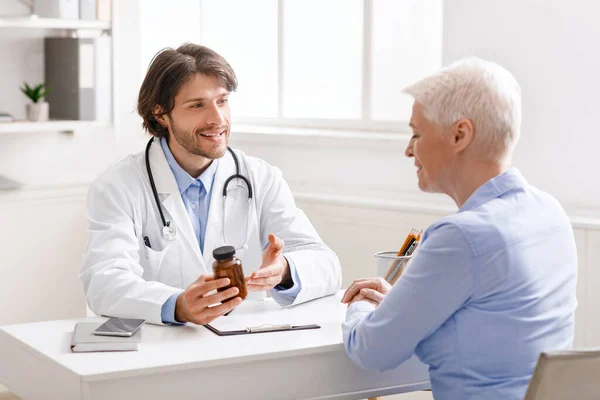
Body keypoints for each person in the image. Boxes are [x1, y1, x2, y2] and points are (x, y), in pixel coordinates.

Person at [341, 57, 577, 399]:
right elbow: (492, 331)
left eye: (416, 133)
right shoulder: (550, 214)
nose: (409, 150)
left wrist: (360, 306)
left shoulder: (462, 237)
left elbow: (371, 350)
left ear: (459, 135)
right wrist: (402, 305)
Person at [80, 43, 341, 326]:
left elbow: (326, 264)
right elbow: (103, 281)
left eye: (222, 101)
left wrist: (285, 270)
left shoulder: (261, 178)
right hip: (159, 353)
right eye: (197, 105)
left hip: (245, 346)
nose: (218, 120)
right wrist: (176, 306)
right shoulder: (117, 187)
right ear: (160, 113)